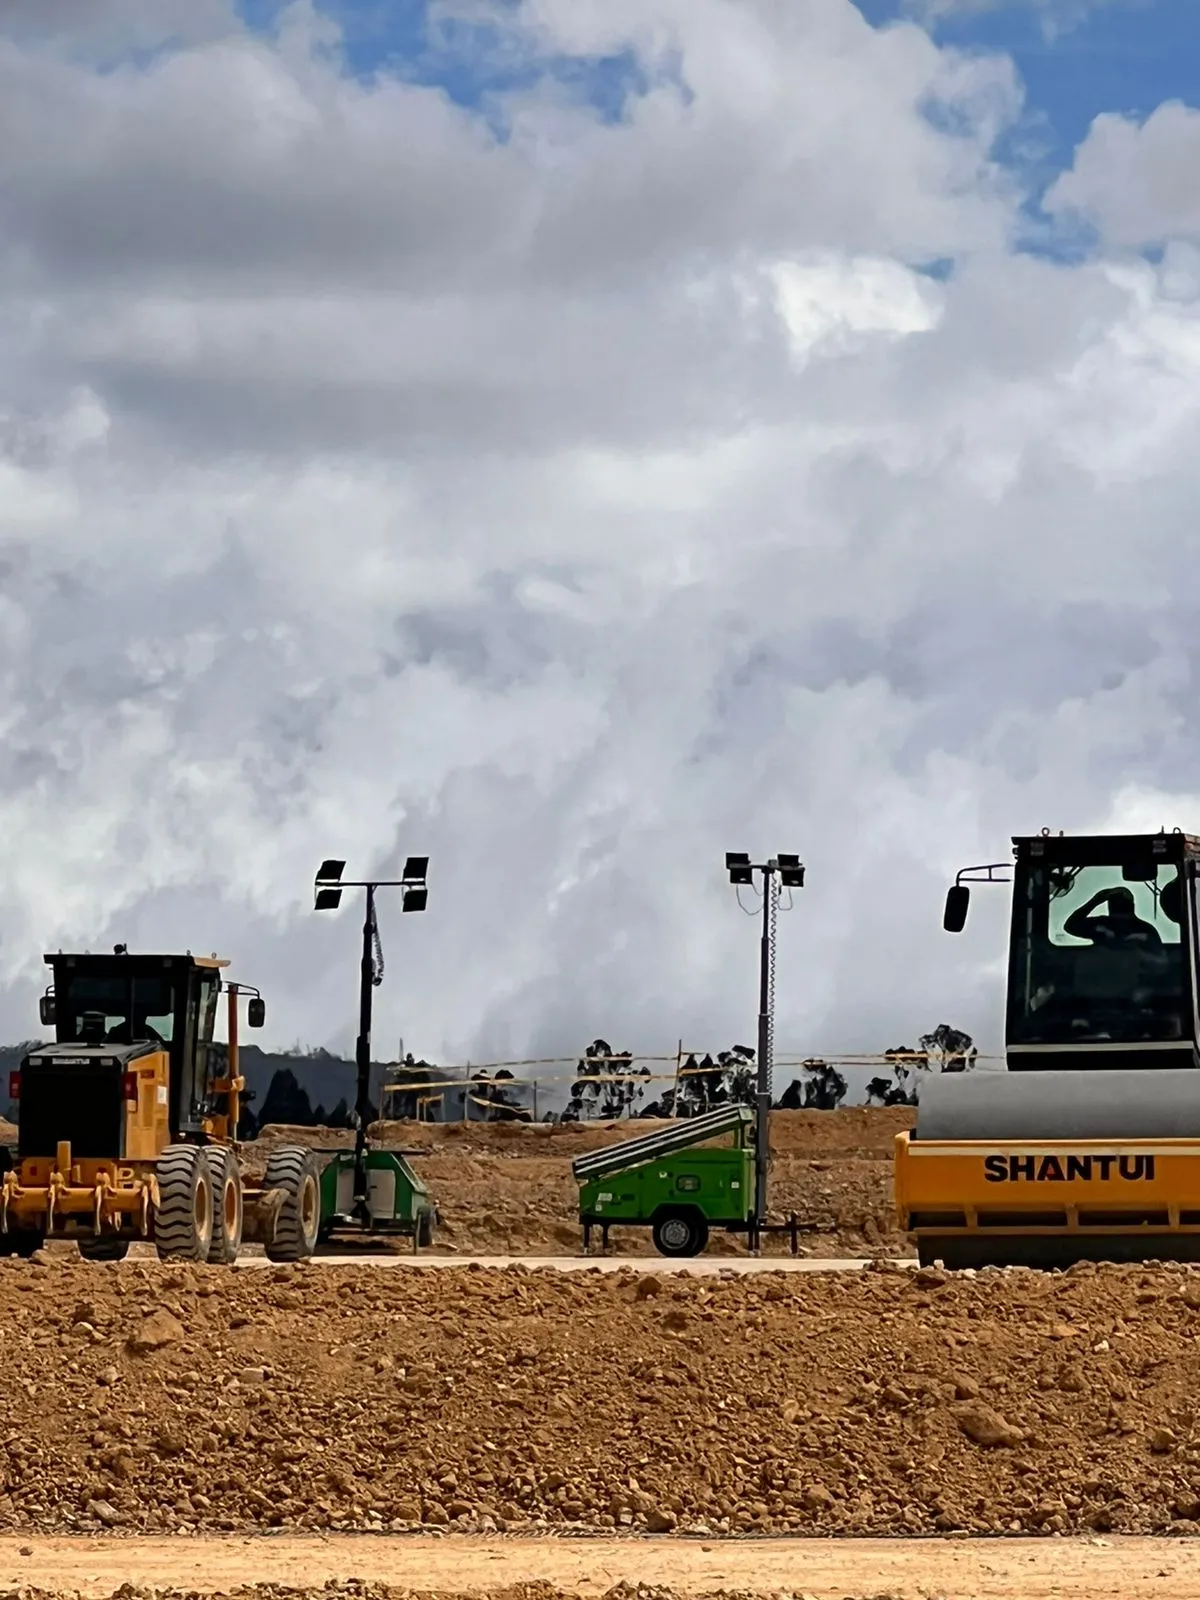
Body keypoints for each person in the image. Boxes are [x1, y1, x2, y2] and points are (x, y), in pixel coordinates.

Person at [1063, 886, 1162, 949]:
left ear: (1109, 905)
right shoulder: (1147, 929)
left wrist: (1095, 901)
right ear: (1132, 905)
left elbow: (1071, 926)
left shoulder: (1100, 923)